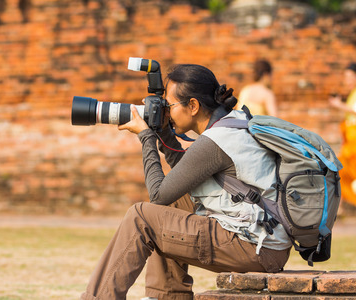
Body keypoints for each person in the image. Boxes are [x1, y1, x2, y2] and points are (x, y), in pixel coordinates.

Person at [80, 64, 292, 300]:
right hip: (267, 243)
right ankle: (168, 296)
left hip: (254, 248)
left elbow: (158, 194)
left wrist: (146, 137)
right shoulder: (233, 122)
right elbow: (188, 173)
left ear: (193, 105)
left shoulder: (215, 140)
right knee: (175, 201)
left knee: (141, 216)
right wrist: (164, 134)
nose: (167, 113)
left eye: (169, 106)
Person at [329, 62, 356, 207]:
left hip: (355, 148)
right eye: (346, 77)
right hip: (351, 146)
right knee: (340, 174)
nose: (347, 80)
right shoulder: (352, 95)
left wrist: (339, 105)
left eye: (350, 76)